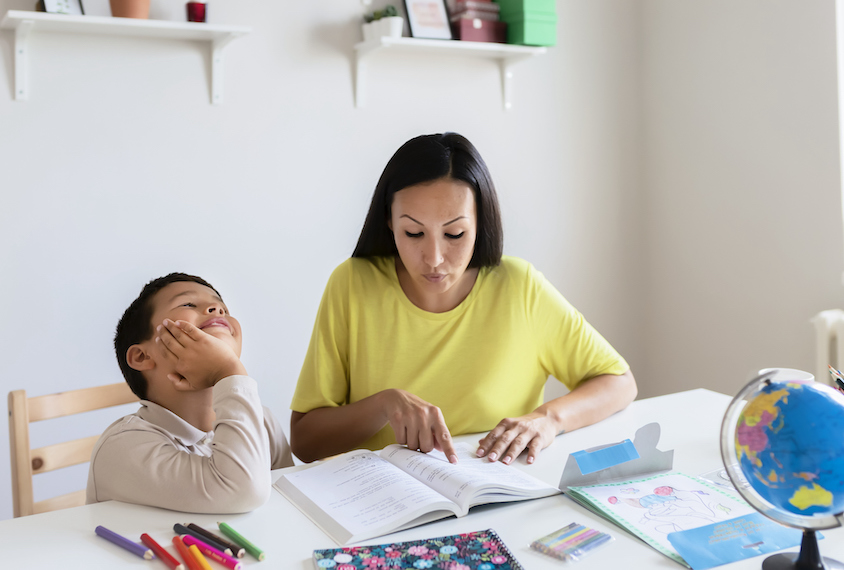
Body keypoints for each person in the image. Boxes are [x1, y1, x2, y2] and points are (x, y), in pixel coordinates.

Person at [290, 133, 637, 466]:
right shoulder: (352, 285)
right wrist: (383, 405)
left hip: (498, 499)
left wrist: (548, 418)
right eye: (413, 233)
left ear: (479, 222)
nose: (434, 257)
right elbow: (305, 442)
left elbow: (619, 383)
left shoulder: (519, 288)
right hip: (381, 511)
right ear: (388, 221)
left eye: (454, 234)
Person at [86, 273, 293, 512]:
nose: (217, 309)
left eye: (222, 308)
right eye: (188, 304)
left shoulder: (261, 421)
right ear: (143, 356)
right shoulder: (122, 447)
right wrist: (229, 371)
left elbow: (286, 505)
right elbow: (243, 491)